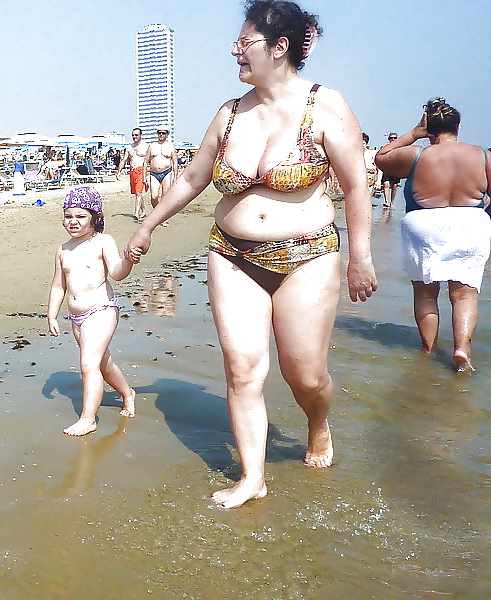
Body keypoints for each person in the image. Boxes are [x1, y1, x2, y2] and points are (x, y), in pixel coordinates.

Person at [125, 1, 377, 508]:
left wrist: (360, 257)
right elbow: (194, 177)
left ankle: (319, 424)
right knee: (242, 368)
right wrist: (148, 224)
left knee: (304, 374)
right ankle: (252, 477)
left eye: (245, 43)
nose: (234, 50)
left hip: (308, 255)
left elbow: (355, 186)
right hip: (231, 253)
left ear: (278, 47)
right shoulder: (230, 113)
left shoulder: (326, 107)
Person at [375, 98, 491, 372]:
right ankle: (462, 348)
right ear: (458, 127)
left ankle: (428, 349)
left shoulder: (416, 154)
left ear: (429, 129)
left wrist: (414, 133)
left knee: (426, 294)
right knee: (464, 294)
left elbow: (381, 157)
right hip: (471, 221)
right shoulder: (484, 155)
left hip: (424, 222)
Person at [48, 186, 138, 436]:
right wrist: (52, 314)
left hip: (101, 309)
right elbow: (58, 286)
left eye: (80, 216)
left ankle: (88, 419)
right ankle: (127, 393)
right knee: (103, 364)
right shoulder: (63, 250)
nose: (73, 222)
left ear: (95, 218)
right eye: (68, 216)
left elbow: (117, 273)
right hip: (76, 316)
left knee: (88, 364)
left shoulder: (102, 242)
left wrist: (128, 259)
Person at [144, 127, 180, 223]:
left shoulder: (170, 146)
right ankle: (157, 214)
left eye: (163, 133)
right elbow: (145, 161)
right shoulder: (152, 146)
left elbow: (175, 161)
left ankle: (161, 218)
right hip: (153, 173)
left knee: (165, 197)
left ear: (167, 134)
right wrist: (144, 176)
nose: (161, 134)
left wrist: (175, 176)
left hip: (166, 173)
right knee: (154, 197)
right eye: (159, 133)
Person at [116, 127, 149, 220]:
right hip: (132, 171)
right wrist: (119, 171)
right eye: (133, 135)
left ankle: (136, 213)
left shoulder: (145, 146)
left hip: (141, 170)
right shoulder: (129, 147)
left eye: (136, 135)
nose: (134, 137)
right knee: (137, 193)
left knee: (138, 192)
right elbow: (124, 159)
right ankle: (144, 211)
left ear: (141, 135)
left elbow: (150, 159)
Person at [379, 132, 400, 208]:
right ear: (389, 139)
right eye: (391, 138)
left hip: (396, 169)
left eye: (394, 138)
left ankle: (392, 202)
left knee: (394, 186)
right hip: (387, 168)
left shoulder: (399, 147)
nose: (393, 139)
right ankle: (386, 201)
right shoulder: (385, 147)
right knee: (386, 184)